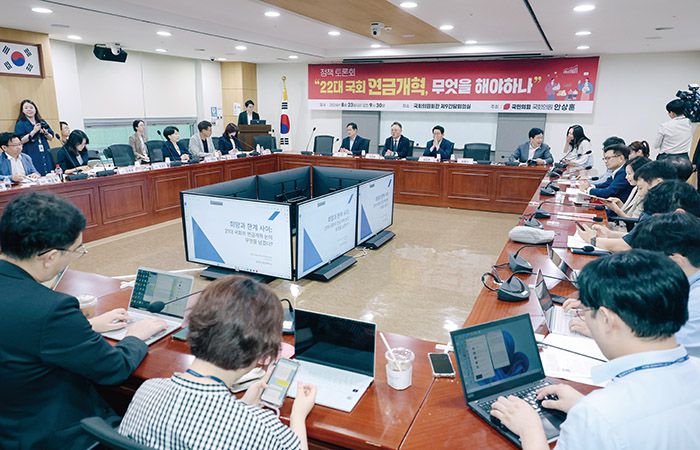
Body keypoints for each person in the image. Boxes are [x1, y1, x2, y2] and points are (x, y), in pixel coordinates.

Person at [0, 192, 167, 449]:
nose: (77, 254)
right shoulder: (51, 309)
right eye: (77, 249)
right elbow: (113, 369)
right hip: (52, 435)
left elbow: (20, 332)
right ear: (50, 256)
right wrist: (135, 337)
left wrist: (87, 326)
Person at [490, 250, 700, 450]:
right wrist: (583, 405)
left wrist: (531, 431)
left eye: (587, 311)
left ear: (607, 319)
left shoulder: (596, 416)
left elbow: (615, 421)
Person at [119, 276, 317, 450]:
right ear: (263, 353)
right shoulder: (262, 428)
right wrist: (298, 416)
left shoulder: (147, 389)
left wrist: (243, 405)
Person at [629, 212, 700, 357]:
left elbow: (662, 349)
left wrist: (609, 333)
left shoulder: (696, 301)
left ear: (676, 262)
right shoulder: (684, 283)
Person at [577, 180, 700, 252]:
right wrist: (610, 234)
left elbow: (630, 246)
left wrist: (593, 240)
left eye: (656, 218)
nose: (653, 222)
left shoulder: (686, 247)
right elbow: (641, 239)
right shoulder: (679, 229)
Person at [602, 156, 651, 220]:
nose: (626, 177)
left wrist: (616, 209)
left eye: (629, 174)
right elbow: (628, 212)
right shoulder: (635, 188)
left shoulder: (645, 192)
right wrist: (619, 203)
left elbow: (634, 221)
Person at [14, 99, 55, 176]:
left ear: (35, 109)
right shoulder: (21, 123)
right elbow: (20, 141)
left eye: (31, 107)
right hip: (30, 151)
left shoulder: (42, 121)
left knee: (49, 173)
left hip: (44, 149)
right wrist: (34, 131)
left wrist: (45, 133)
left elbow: (51, 137)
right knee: (35, 173)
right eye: (26, 108)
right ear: (22, 111)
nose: (29, 110)